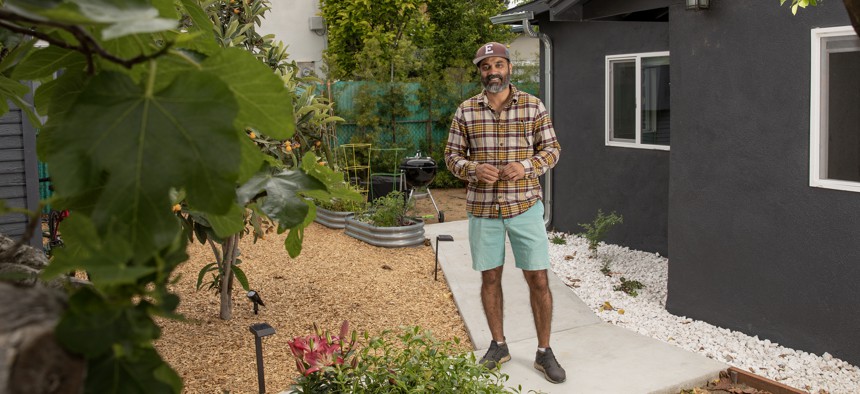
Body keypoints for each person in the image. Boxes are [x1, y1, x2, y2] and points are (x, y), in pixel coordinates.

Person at [444, 42, 565, 384]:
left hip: (525, 205)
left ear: (509, 67)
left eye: (498, 64)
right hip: (483, 210)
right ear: (480, 72)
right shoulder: (466, 111)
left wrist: (526, 165)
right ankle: (498, 345)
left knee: (538, 279)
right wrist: (472, 169)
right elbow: (451, 157)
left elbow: (552, 148)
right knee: (490, 278)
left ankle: (544, 351)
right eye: (486, 66)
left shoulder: (532, 106)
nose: (492, 71)